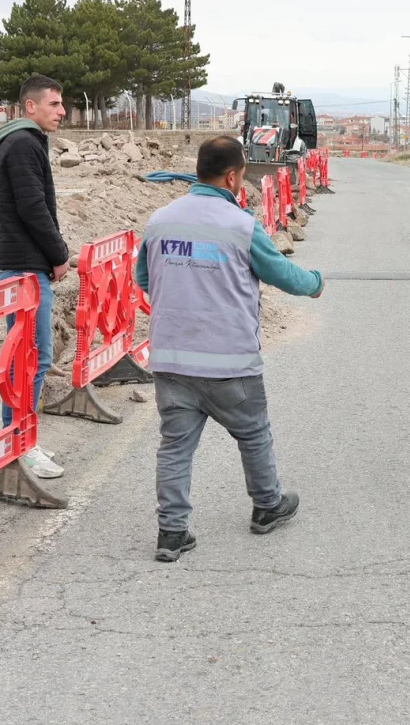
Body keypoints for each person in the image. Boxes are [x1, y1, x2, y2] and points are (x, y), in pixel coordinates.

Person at [135, 136, 324, 563]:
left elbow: (144, 278)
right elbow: (281, 273)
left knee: (175, 446)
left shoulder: (160, 220)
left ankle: (172, 532)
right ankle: (266, 505)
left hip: (172, 358)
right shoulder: (240, 224)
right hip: (229, 361)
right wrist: (314, 283)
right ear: (234, 176)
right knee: (253, 433)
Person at [0, 73, 71, 480]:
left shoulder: (25, 142)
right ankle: (20, 443)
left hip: (24, 264)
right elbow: (33, 208)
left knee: (29, 358)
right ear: (31, 106)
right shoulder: (22, 144)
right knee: (31, 359)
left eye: (62, 104)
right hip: (24, 267)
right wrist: (58, 254)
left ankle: (21, 437)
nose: (63, 111)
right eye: (54, 104)